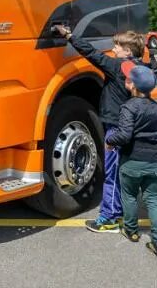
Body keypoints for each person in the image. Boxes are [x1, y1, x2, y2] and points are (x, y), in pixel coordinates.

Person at [52, 23, 146, 233]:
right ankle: (124, 214)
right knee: (124, 172)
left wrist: (68, 35)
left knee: (111, 173)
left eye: (117, 46)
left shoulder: (117, 67)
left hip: (115, 129)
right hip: (132, 127)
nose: (113, 50)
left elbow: (91, 54)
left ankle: (109, 219)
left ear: (127, 52)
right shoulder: (142, 69)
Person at [107, 63, 157, 258]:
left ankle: (132, 230)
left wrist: (110, 140)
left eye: (128, 79)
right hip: (154, 161)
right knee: (154, 199)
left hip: (132, 161)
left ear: (133, 86)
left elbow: (124, 135)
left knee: (130, 196)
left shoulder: (128, 107)